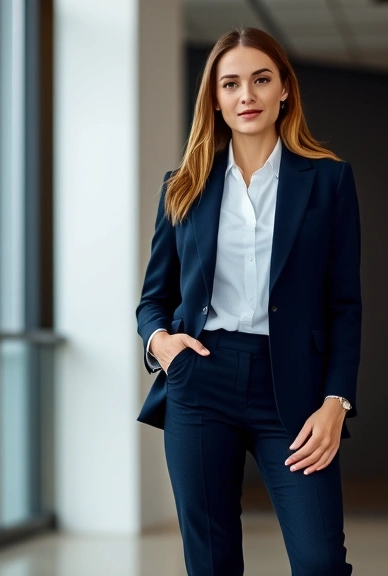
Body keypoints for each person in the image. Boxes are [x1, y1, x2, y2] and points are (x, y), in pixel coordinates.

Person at [135, 27, 361, 576]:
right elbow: (153, 299)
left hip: (294, 391)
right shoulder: (182, 186)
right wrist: (162, 345)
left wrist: (337, 402)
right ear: (215, 98)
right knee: (210, 563)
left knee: (320, 562)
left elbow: (345, 305)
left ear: (285, 88)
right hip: (200, 380)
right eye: (230, 84)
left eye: (261, 80)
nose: (247, 96)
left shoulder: (328, 183)